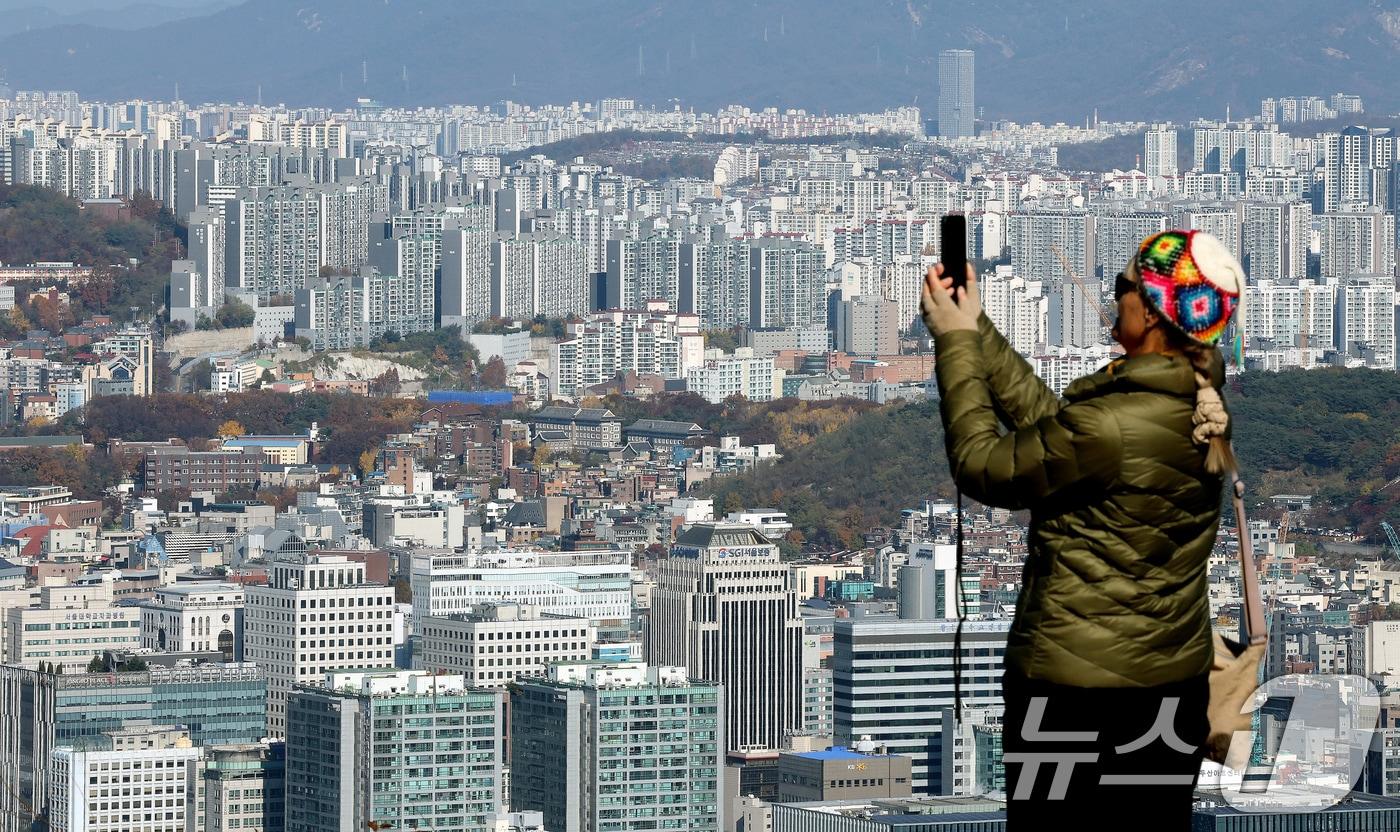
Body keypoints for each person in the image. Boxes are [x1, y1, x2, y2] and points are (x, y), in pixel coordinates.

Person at [919, 230, 1244, 827]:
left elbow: (982, 465)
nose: (1112, 297)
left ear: (1147, 310)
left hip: (1073, 694)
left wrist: (956, 345)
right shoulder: (1196, 401)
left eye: (1121, 287)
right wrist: (978, 328)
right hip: (1170, 687)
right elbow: (1062, 433)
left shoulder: (1115, 423)